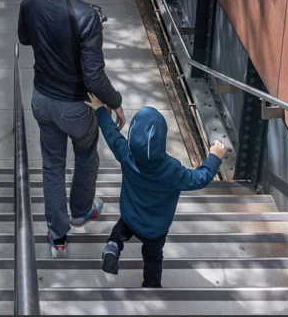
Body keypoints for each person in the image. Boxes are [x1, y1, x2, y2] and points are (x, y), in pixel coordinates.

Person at [18, 0, 125, 259]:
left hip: (41, 99)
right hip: (75, 107)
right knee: (86, 155)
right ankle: (81, 212)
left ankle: (58, 236)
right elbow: (94, 77)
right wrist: (115, 102)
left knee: (52, 166)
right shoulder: (87, 16)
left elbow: (25, 38)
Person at [86, 95, 227, 285]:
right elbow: (199, 179)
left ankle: (113, 247)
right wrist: (213, 158)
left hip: (130, 215)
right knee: (153, 258)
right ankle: (151, 287)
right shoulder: (172, 171)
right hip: (155, 229)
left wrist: (100, 109)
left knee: (120, 231)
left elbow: (111, 132)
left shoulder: (125, 153)